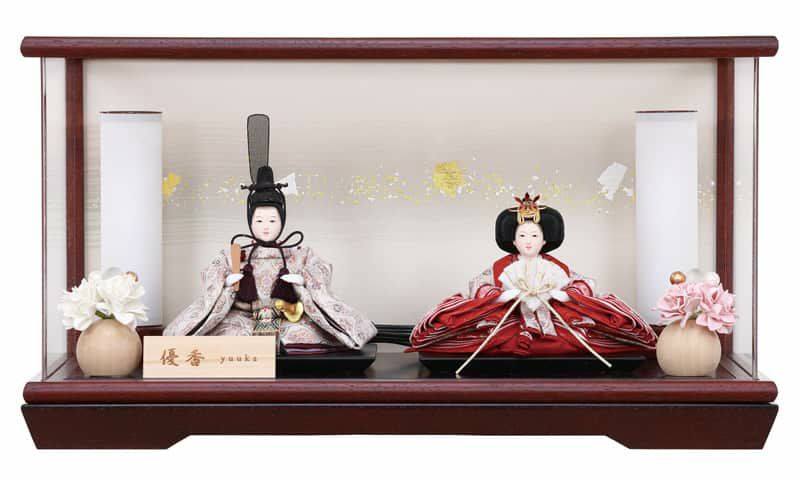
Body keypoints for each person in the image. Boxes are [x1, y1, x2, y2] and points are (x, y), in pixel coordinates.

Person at [164, 114, 376, 353]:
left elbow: (321, 268)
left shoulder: (298, 252)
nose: (266, 226)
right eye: (259, 220)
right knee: (231, 333)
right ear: (249, 221)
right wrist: (225, 281)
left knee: (303, 334)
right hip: (244, 316)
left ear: (282, 221)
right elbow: (212, 272)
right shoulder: (236, 253)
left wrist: (304, 280)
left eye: (272, 220)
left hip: (288, 315)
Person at [408, 193, 657, 360]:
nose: (528, 241)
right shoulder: (501, 267)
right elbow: (479, 285)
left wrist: (561, 295)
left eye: (534, 236)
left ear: (545, 240)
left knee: (584, 332)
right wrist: (504, 296)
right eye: (522, 236)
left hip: (554, 318)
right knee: (479, 332)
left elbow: (583, 284)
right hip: (509, 318)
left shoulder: (555, 266)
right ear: (513, 240)